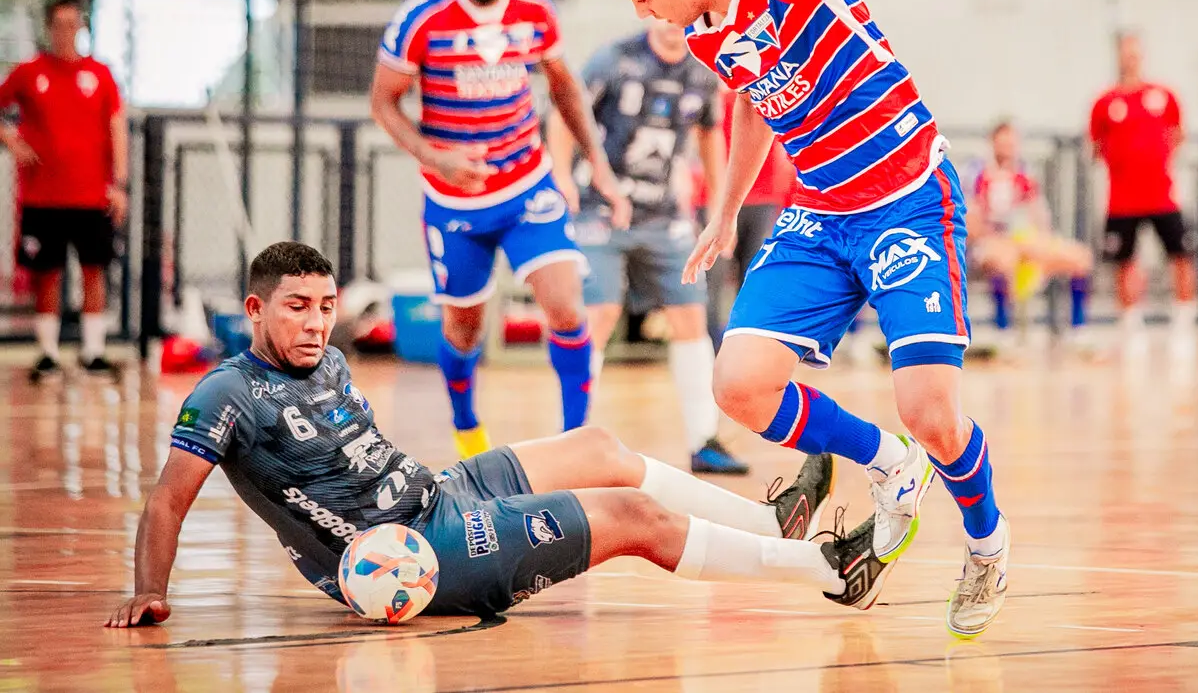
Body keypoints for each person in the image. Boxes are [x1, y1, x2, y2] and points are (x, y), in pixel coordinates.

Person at [598, 0, 1008, 639]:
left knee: (933, 412)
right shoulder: (699, 32)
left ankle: (987, 546)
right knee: (740, 384)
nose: (641, 11)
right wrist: (725, 211)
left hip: (907, 198)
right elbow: (752, 103)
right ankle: (890, 464)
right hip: (820, 211)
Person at [105, 241, 887, 628]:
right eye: (295, 307)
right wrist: (149, 591)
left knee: (601, 446)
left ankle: (766, 521)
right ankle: (824, 566)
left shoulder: (334, 358)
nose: (314, 322)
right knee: (632, 518)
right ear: (254, 310)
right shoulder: (225, 394)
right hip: (407, 555)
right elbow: (168, 502)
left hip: (437, 494)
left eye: (324, 304)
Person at [371, 0, 630, 458]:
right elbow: (384, 103)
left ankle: (574, 443)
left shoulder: (535, 10)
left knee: (565, 306)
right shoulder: (422, 17)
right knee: (464, 330)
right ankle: (467, 430)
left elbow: (564, 88)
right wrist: (434, 157)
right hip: (454, 201)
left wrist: (599, 168)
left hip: (527, 186)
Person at [547, 19, 748, 475]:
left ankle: (704, 440)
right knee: (597, 314)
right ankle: (570, 440)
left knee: (690, 319)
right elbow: (563, 113)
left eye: (687, 18)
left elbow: (710, 133)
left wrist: (720, 207)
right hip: (601, 209)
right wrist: (560, 173)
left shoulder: (703, 68)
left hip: (664, 216)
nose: (676, 24)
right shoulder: (614, 58)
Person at [0, 0, 128, 380]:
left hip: (91, 196)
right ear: (48, 28)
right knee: (48, 273)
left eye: (72, 24)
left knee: (94, 271)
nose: (65, 32)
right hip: (43, 197)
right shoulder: (29, 73)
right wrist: (11, 139)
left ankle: (93, 352)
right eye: (59, 25)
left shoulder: (100, 75)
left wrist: (119, 184)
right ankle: (49, 353)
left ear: (82, 27)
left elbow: (116, 128)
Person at [1088, 32, 1198, 336]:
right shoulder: (1105, 102)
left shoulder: (1164, 96)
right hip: (1122, 199)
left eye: (1135, 52)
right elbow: (1095, 146)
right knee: (1125, 260)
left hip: (1162, 196)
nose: (1130, 57)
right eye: (1125, 52)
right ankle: (1130, 321)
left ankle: (1185, 317)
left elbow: (1178, 134)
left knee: (1181, 254)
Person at [967, 119, 1092, 327]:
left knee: (1080, 258)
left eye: (1011, 144)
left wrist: (1039, 241)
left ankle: (1077, 328)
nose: (1008, 149)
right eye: (1003, 144)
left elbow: (1040, 218)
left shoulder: (1024, 175)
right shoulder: (976, 174)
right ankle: (1003, 329)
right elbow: (971, 223)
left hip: (1025, 240)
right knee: (1004, 262)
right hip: (992, 241)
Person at [706, 87, 797, 344]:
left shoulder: (769, 94)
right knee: (713, 275)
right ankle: (712, 346)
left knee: (753, 276)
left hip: (764, 199)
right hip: (723, 200)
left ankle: (747, 342)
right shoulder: (712, 98)